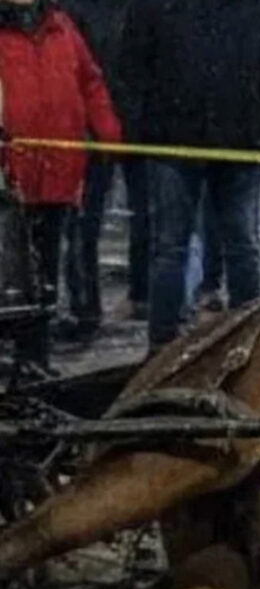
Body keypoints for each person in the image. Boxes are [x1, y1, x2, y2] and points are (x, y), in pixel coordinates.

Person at [120, 0, 260, 349]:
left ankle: (248, 344)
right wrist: (146, 126)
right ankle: (162, 348)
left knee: (240, 245)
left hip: (237, 142)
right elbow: (132, 65)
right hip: (174, 142)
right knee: (172, 248)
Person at [0, 0, 121, 366]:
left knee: (44, 275)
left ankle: (34, 361)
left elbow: (89, 81)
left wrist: (107, 132)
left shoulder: (63, 28)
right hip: (10, 181)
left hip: (57, 177)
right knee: (12, 276)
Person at [59, 0, 149, 331]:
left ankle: (101, 304)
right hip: (105, 127)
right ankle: (94, 305)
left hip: (121, 125)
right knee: (88, 222)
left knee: (91, 222)